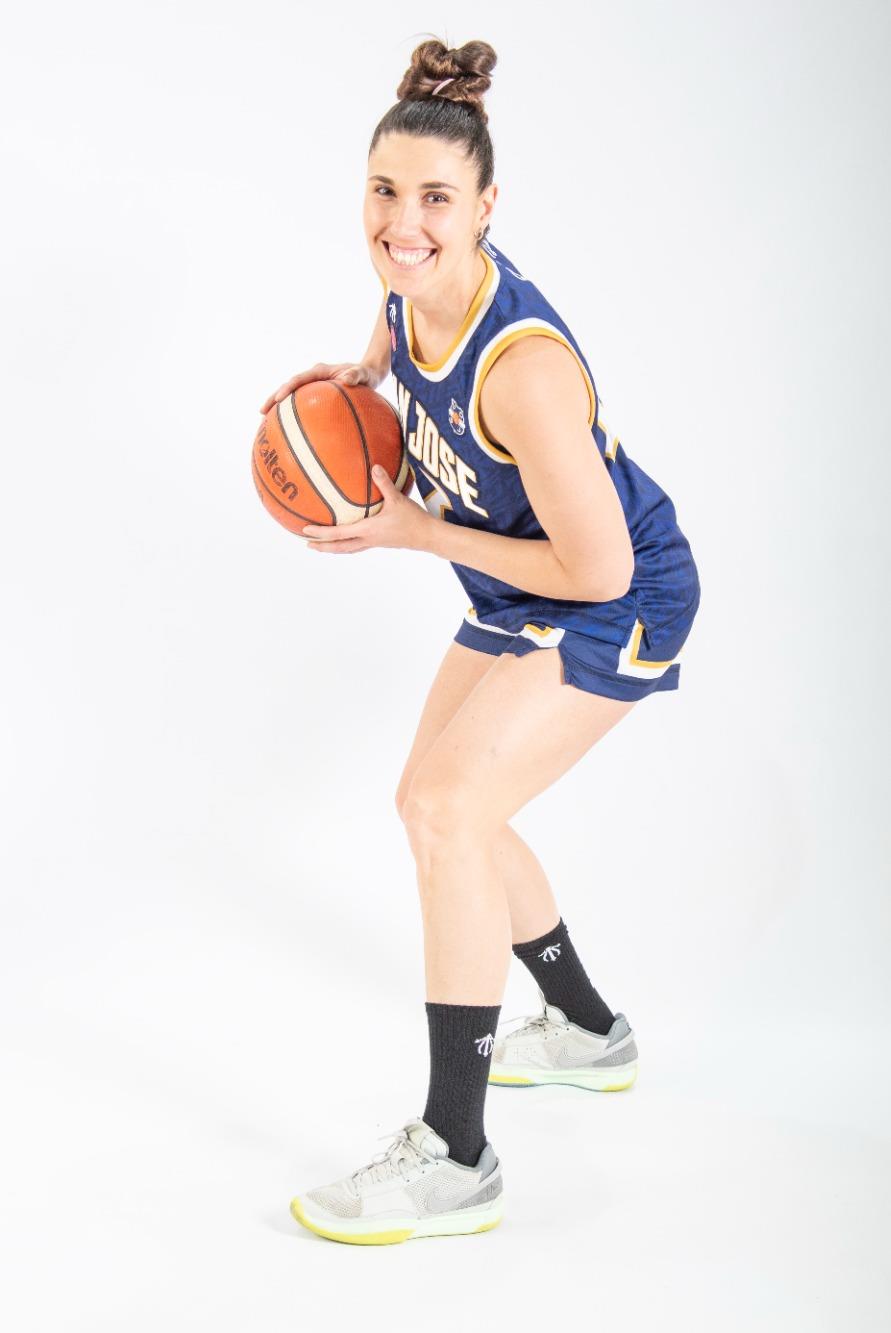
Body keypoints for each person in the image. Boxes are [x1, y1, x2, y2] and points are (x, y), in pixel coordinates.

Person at [262, 36, 701, 1245]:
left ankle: (457, 1153)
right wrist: (351, 383)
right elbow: (393, 333)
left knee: (450, 808)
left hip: (620, 592)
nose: (402, 225)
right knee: (436, 800)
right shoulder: (409, 287)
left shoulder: (526, 372)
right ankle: (587, 1030)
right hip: (522, 586)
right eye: (383, 192)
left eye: (436, 201)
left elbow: (600, 569)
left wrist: (414, 531)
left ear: (487, 206)